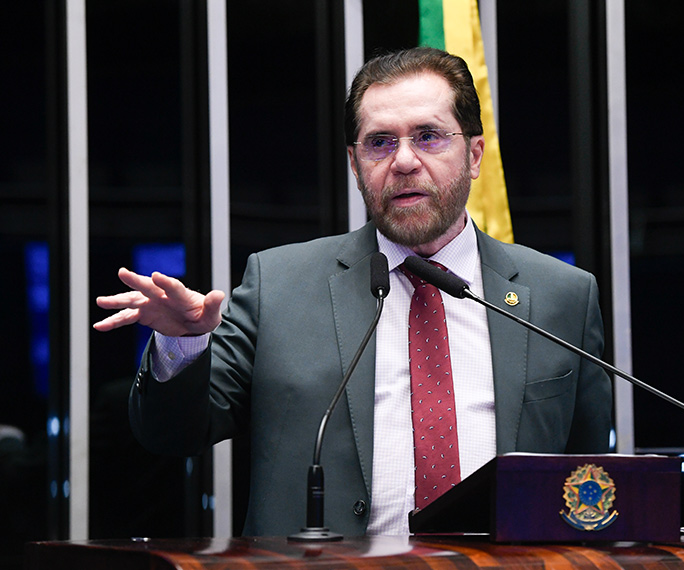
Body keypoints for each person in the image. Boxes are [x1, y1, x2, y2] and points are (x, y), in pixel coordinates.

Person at [94, 47, 612, 537]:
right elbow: (173, 434)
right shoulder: (279, 286)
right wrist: (183, 345)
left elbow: (591, 483)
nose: (404, 161)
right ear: (355, 163)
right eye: (380, 142)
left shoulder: (560, 296)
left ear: (475, 154)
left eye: (429, 136)